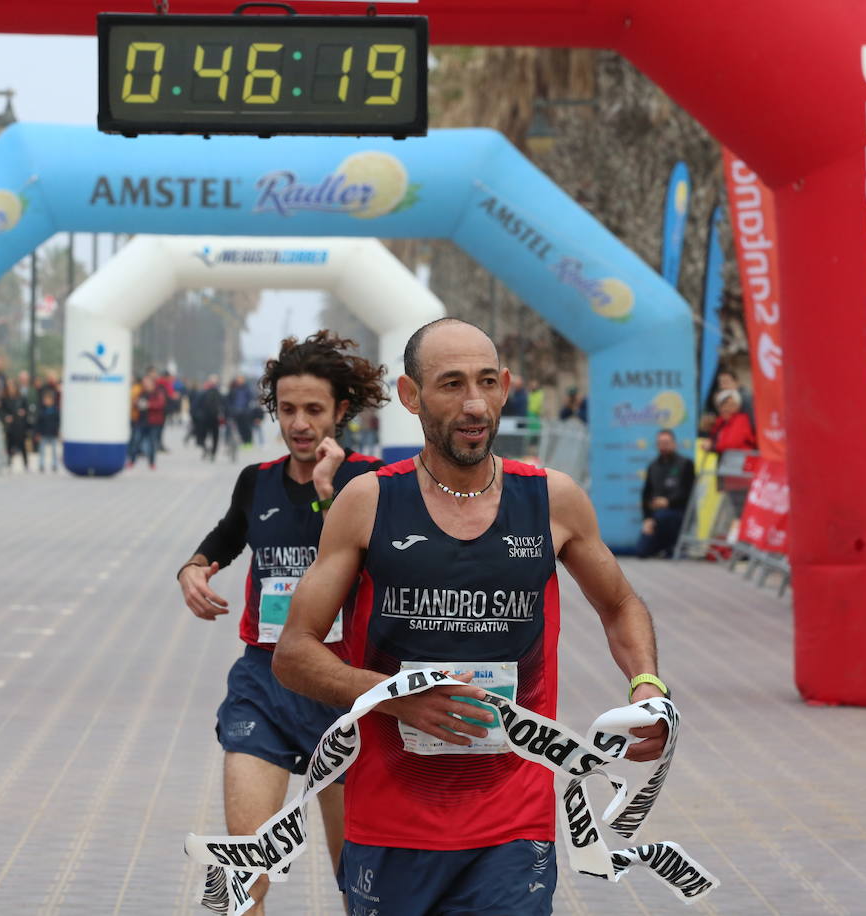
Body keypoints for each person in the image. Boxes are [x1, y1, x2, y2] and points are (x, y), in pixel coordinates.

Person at [274, 318, 669, 916]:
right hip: (390, 824)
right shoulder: (369, 503)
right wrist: (396, 696)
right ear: (412, 397)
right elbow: (294, 652)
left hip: (513, 826)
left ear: (507, 387)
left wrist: (647, 686)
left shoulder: (550, 499)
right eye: (452, 384)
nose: (475, 404)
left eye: (487, 382)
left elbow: (619, 606)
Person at [176, 331, 388, 913]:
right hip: (265, 683)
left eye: (313, 410)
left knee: (362, 886)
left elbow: (375, 561)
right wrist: (194, 568)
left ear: (341, 411)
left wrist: (326, 496)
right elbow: (226, 535)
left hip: (344, 689)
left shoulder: (371, 482)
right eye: (287, 409)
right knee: (242, 875)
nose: (299, 423)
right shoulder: (257, 479)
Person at [638, 428, 696, 558]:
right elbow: (645, 495)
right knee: (641, 551)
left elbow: (689, 493)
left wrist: (668, 502)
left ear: (674, 443)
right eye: (660, 443)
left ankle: (672, 547)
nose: (663, 446)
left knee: (664, 516)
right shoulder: (653, 466)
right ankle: (662, 546)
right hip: (656, 518)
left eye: (666, 442)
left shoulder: (686, 464)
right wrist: (647, 518)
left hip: (678, 513)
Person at [710, 389, 756, 518]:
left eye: (731, 404)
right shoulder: (720, 423)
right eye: (724, 404)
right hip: (728, 472)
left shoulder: (741, 420)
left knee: (742, 508)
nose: (727, 408)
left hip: (742, 472)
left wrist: (713, 446)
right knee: (734, 507)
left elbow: (732, 442)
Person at [0, 378, 31, 470]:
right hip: (10, 425)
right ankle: (9, 462)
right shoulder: (4, 398)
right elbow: (0, 411)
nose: (11, 388)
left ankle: (25, 463)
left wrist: (23, 412)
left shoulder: (21, 397)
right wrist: (5, 417)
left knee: (22, 444)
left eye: (12, 386)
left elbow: (27, 409)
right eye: (9, 386)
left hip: (20, 424)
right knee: (9, 444)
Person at [196, 376, 225, 461]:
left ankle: (211, 452)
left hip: (210, 418)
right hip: (210, 418)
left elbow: (196, 405)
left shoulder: (205, 393)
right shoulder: (217, 393)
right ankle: (211, 452)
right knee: (212, 436)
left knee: (208, 436)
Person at [34, 388, 61, 473]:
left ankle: (54, 464)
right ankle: (41, 464)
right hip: (43, 433)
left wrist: (58, 431)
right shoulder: (41, 411)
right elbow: (38, 423)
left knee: (54, 450)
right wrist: (37, 433)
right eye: (45, 399)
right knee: (42, 450)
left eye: (48, 399)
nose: (47, 401)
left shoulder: (56, 411)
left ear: (52, 400)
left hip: (53, 433)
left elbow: (58, 422)